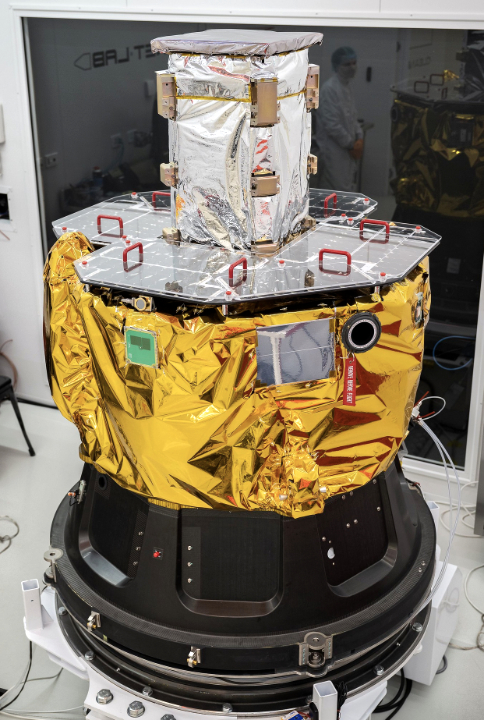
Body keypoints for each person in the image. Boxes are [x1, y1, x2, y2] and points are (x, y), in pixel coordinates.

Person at [312, 46, 363, 192]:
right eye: (347, 64)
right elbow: (332, 125)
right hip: (333, 151)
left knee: (345, 189)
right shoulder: (329, 89)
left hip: (345, 151)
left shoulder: (346, 87)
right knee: (335, 191)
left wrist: (359, 137)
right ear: (337, 66)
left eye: (354, 63)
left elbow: (352, 116)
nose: (352, 67)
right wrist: (350, 144)